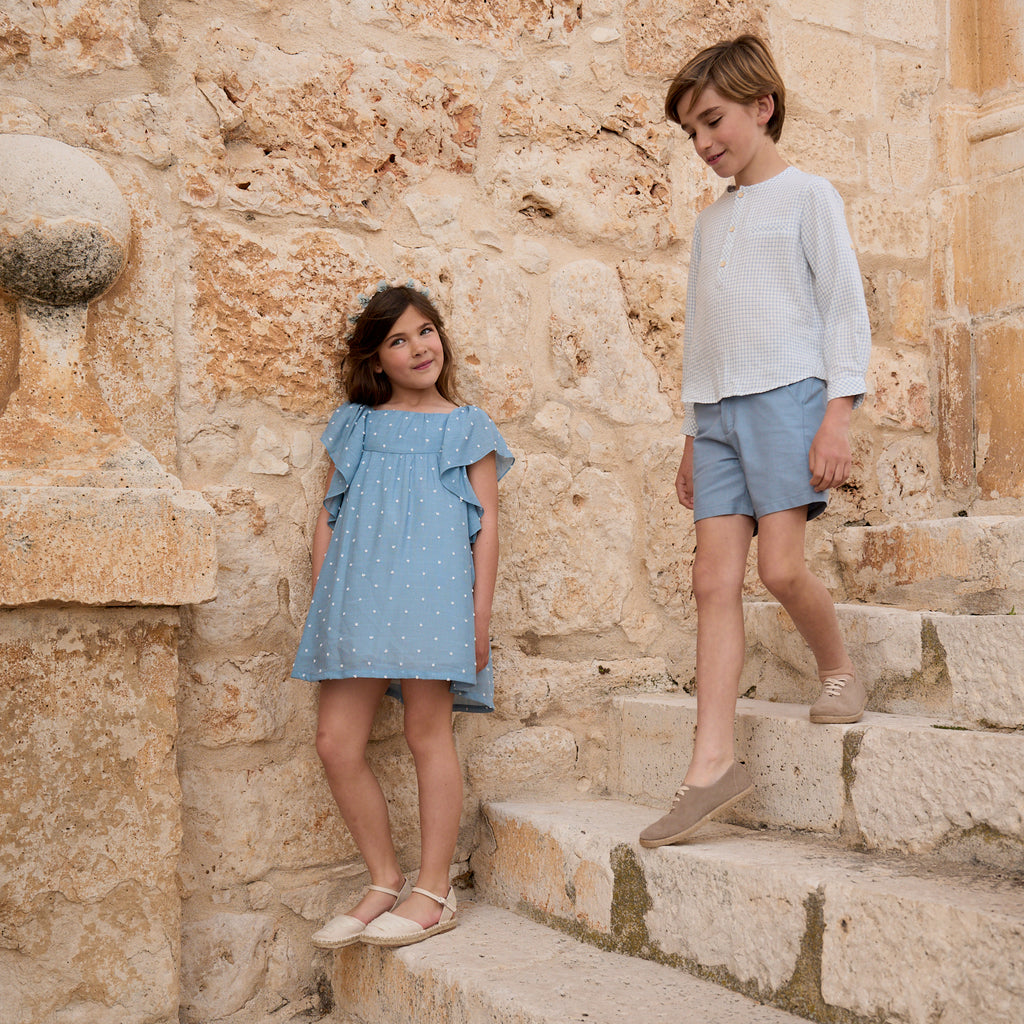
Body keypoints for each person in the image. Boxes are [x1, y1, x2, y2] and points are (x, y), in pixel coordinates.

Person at [639, 35, 871, 849]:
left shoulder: (810, 196)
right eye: (692, 132)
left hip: (788, 399)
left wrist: (837, 413)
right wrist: (692, 434)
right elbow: (702, 334)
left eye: (713, 122)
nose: (704, 144)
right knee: (712, 582)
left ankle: (839, 668)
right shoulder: (711, 225)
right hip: (719, 416)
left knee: (779, 569)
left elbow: (843, 307)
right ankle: (711, 766)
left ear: (761, 106)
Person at [293, 282, 513, 945]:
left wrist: (478, 616)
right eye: (397, 340)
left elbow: (488, 528)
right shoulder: (356, 426)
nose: (418, 347)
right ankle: (384, 878)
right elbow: (328, 518)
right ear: (376, 359)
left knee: (427, 733)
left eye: (425, 331)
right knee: (336, 742)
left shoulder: (465, 426)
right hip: (358, 594)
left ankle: (434, 889)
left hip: (435, 596)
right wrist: (325, 601)